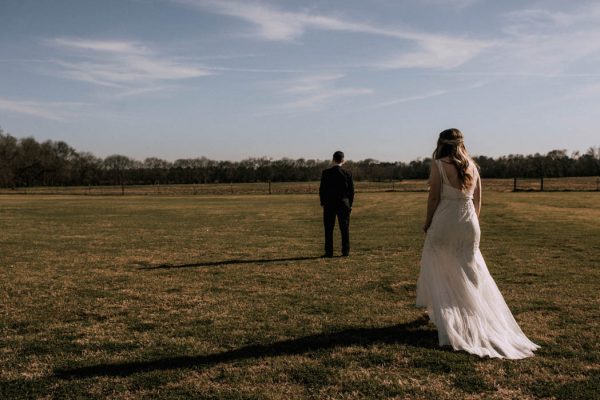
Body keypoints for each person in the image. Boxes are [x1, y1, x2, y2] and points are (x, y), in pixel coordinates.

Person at [416, 128, 539, 359]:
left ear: (441, 144)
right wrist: (473, 222)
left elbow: (433, 198)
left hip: (445, 220)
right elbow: (478, 199)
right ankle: (470, 311)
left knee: (438, 264)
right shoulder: (472, 166)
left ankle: (444, 313)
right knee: (471, 268)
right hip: (469, 223)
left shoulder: (438, 165)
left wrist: (428, 221)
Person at [319, 151, 354, 257]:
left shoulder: (326, 173)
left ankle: (329, 252)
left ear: (333, 159)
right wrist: (349, 204)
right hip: (343, 204)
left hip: (329, 204)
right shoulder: (347, 173)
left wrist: (323, 202)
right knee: (344, 228)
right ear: (343, 160)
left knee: (329, 229)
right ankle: (345, 251)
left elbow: (322, 190)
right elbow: (351, 191)